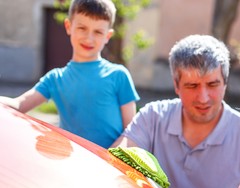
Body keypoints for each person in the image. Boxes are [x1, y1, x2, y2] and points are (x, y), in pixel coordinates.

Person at [112, 34, 240, 188]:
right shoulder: (153, 117)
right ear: (177, 85)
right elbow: (116, 162)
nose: (203, 97)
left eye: (213, 85)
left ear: (225, 83)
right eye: (192, 86)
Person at [0, 0, 139, 148]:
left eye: (98, 32)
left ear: (107, 36)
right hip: (71, 165)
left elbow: (132, 131)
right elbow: (18, 104)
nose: (89, 38)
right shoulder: (55, 79)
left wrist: (110, 158)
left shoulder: (119, 75)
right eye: (82, 28)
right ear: (68, 26)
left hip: (109, 165)